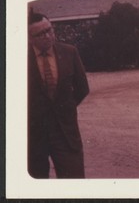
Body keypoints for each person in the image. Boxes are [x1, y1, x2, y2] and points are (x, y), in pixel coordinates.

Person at [28, 12, 89, 178]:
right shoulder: (18, 59)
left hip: (65, 133)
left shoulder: (70, 52)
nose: (47, 36)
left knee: (73, 183)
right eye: (40, 34)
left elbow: (82, 88)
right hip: (32, 137)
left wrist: (65, 108)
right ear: (29, 38)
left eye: (49, 30)